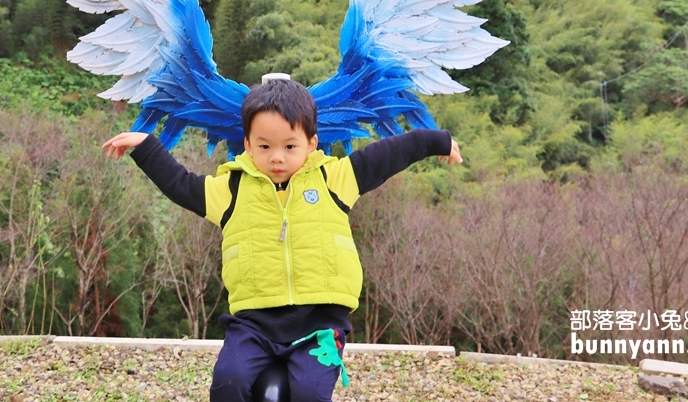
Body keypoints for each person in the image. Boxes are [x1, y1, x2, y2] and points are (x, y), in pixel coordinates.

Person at [102, 75, 462, 402]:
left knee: (308, 394)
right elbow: (179, 184)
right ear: (247, 144)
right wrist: (145, 146)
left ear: (311, 142)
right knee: (228, 381)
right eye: (264, 147)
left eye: (290, 147)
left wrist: (438, 140)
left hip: (320, 324)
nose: (276, 158)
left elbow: (391, 153)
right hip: (254, 323)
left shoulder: (333, 179)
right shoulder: (231, 189)